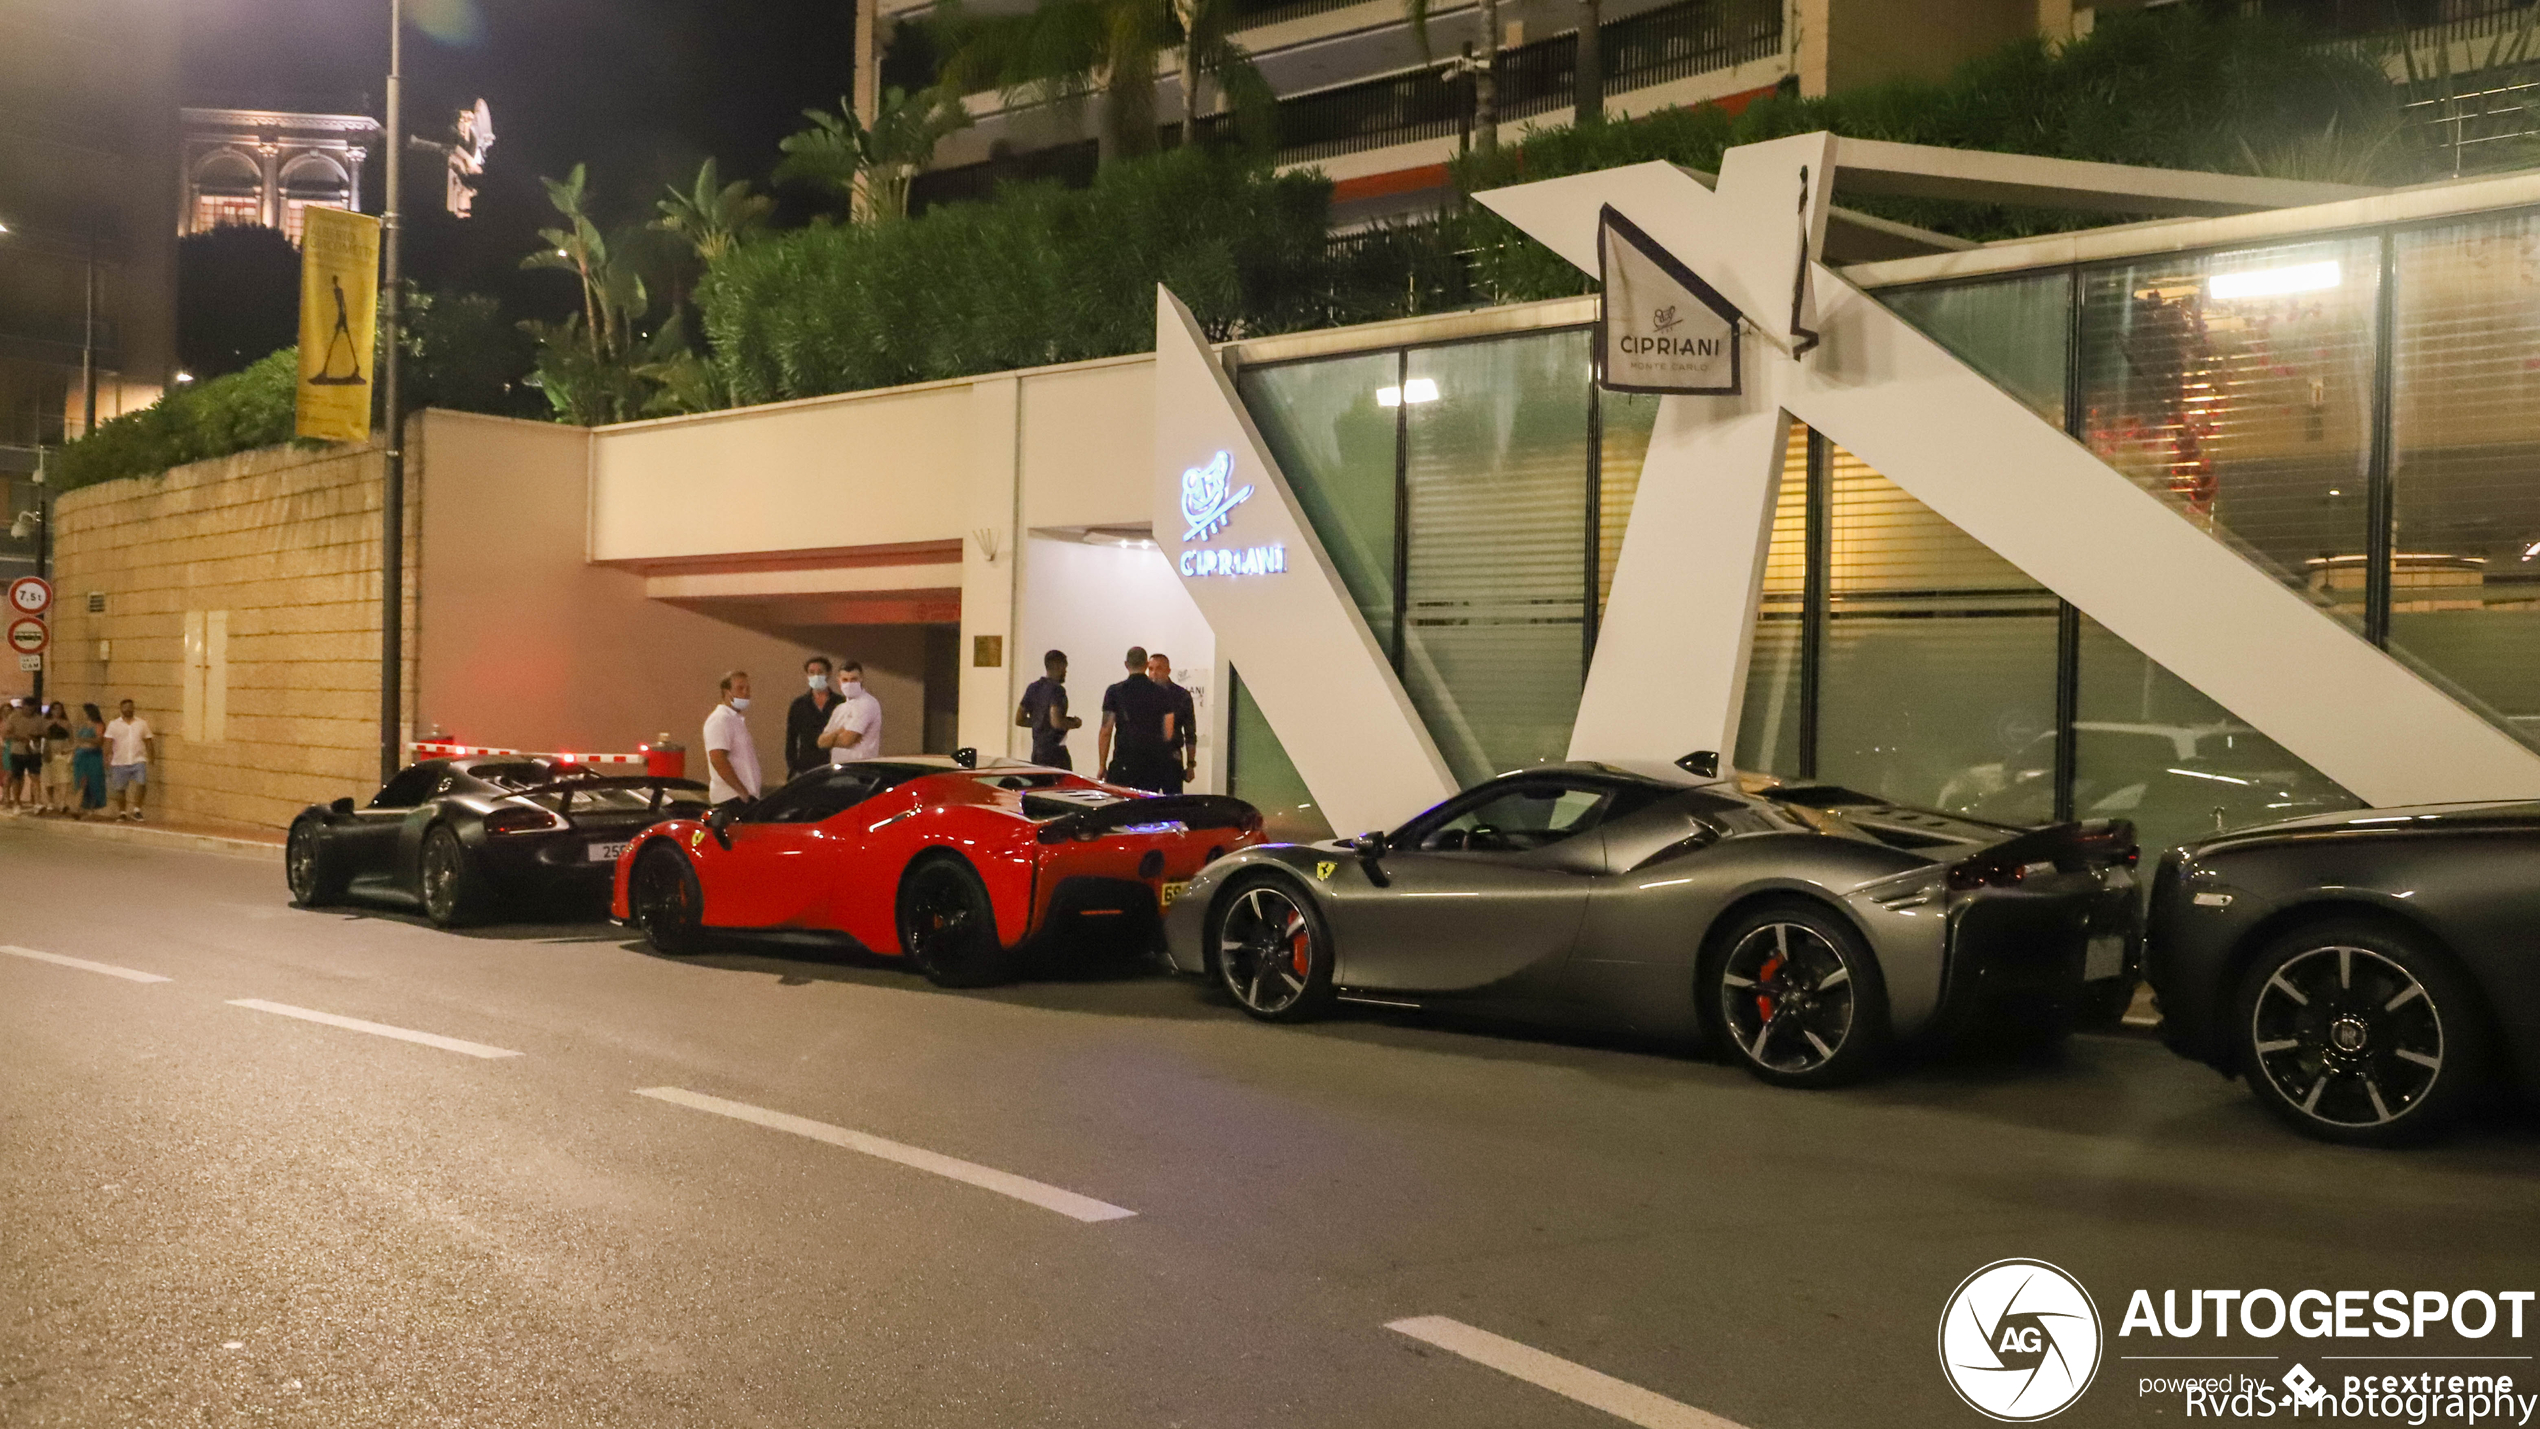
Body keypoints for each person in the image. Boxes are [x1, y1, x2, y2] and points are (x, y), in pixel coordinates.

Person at [1098, 646, 1176, 792]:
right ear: (1146, 665)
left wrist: (1102, 765)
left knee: (1121, 808)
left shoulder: (1115, 691)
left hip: (1124, 760)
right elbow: (1168, 732)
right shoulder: (1162, 693)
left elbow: (1106, 730)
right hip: (1153, 763)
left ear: (1126, 665)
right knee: (1148, 809)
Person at [703, 671, 761, 809]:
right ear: (727, 692)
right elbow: (718, 758)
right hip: (732, 799)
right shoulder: (721, 719)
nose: (746, 693)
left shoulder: (735, 720)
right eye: (740, 688)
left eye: (748, 688)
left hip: (742, 798)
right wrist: (742, 791)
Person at [1014, 649, 1080, 769]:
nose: (1065, 672)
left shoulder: (1033, 688)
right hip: (1056, 753)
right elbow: (1056, 722)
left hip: (1037, 752)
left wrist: (1038, 722)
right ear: (1058, 666)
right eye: (1064, 667)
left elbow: (1019, 719)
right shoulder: (1057, 690)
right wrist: (1074, 723)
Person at [1146, 652, 1197, 794]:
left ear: (1168, 671)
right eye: (1150, 669)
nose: (1154, 673)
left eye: (1159, 668)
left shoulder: (1181, 696)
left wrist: (1190, 764)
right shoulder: (1143, 695)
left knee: (1173, 804)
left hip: (1171, 757)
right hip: (1147, 759)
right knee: (1145, 807)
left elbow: (1190, 732)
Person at [816, 659, 883, 764]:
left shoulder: (868, 703)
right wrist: (839, 732)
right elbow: (821, 742)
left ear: (861, 679)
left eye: (853, 679)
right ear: (839, 681)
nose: (849, 683)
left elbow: (847, 740)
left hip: (861, 770)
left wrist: (832, 738)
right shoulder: (840, 709)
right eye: (845, 680)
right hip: (838, 769)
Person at [785, 655, 840, 779]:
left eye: (820, 672)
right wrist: (793, 769)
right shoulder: (798, 705)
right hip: (806, 768)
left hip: (834, 766)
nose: (816, 676)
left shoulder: (840, 703)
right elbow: (791, 740)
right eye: (811, 672)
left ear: (829, 674)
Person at [103, 698, 154, 821]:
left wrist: (152, 756)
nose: (128, 709)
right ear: (121, 709)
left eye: (131, 707)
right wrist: (106, 757)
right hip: (120, 760)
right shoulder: (113, 724)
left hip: (138, 759)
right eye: (125, 707)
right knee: (120, 788)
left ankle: (137, 810)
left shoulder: (142, 723)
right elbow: (108, 742)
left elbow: (148, 741)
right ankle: (122, 812)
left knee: (141, 783)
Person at [0, 698, 40, 811]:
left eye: (9, 710)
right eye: (5, 710)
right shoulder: (9, 721)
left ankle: (17, 799)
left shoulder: (22, 720)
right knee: (9, 774)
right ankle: (6, 797)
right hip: (7, 748)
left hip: (21, 750)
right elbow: (5, 735)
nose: (7, 712)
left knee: (19, 775)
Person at [71, 703, 107, 818]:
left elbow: (99, 741)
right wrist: (71, 752)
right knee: (80, 781)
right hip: (81, 756)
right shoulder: (83, 725)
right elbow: (77, 742)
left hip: (93, 756)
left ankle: (89, 809)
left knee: (92, 782)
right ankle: (79, 807)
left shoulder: (99, 725)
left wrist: (85, 739)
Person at [39, 701, 73, 815]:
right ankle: (50, 801)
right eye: (55, 709)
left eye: (59, 709)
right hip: (48, 752)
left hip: (62, 752)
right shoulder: (46, 722)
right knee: (49, 779)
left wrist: (69, 751)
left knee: (63, 779)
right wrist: (51, 723)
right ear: (51, 710)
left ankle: (62, 802)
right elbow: (42, 734)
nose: (57, 711)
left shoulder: (66, 723)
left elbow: (71, 739)